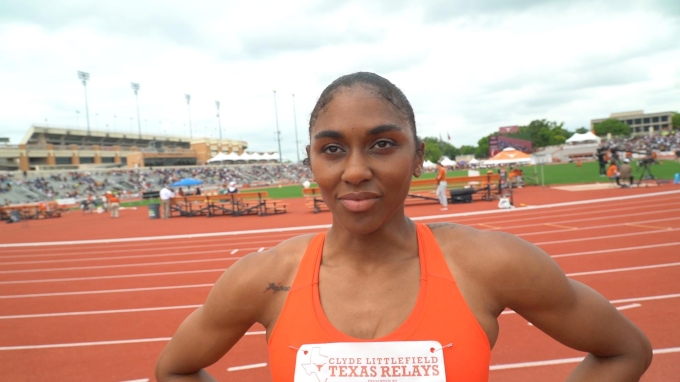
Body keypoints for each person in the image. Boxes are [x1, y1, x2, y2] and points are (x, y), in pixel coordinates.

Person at [156, 72, 652, 381]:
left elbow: (625, 352)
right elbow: (172, 370)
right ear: (311, 164)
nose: (354, 170)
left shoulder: (489, 265)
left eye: (382, 144)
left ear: (418, 158)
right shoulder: (263, 278)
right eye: (332, 150)